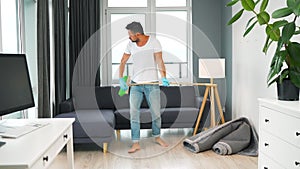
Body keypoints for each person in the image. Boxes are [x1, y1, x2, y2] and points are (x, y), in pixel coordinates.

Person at [119, 21, 170, 153]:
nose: (129, 37)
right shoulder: (130, 44)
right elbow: (123, 61)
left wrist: (163, 77)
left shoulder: (154, 42)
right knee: (134, 114)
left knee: (156, 113)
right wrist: (121, 78)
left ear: (137, 34)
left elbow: (159, 60)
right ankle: (135, 142)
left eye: (130, 34)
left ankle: (157, 136)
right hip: (136, 84)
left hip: (152, 84)